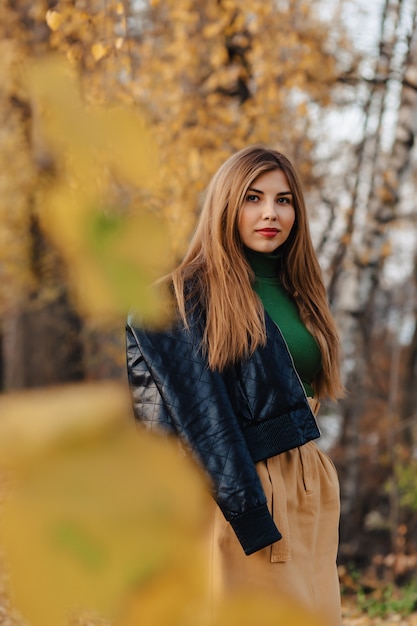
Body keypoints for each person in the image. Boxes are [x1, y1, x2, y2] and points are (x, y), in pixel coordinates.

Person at [126, 145, 344, 625]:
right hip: (243, 486)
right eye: (253, 197)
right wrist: (247, 512)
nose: (271, 213)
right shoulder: (183, 297)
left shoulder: (301, 291)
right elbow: (199, 416)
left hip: (310, 480)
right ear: (226, 204)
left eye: (284, 200)